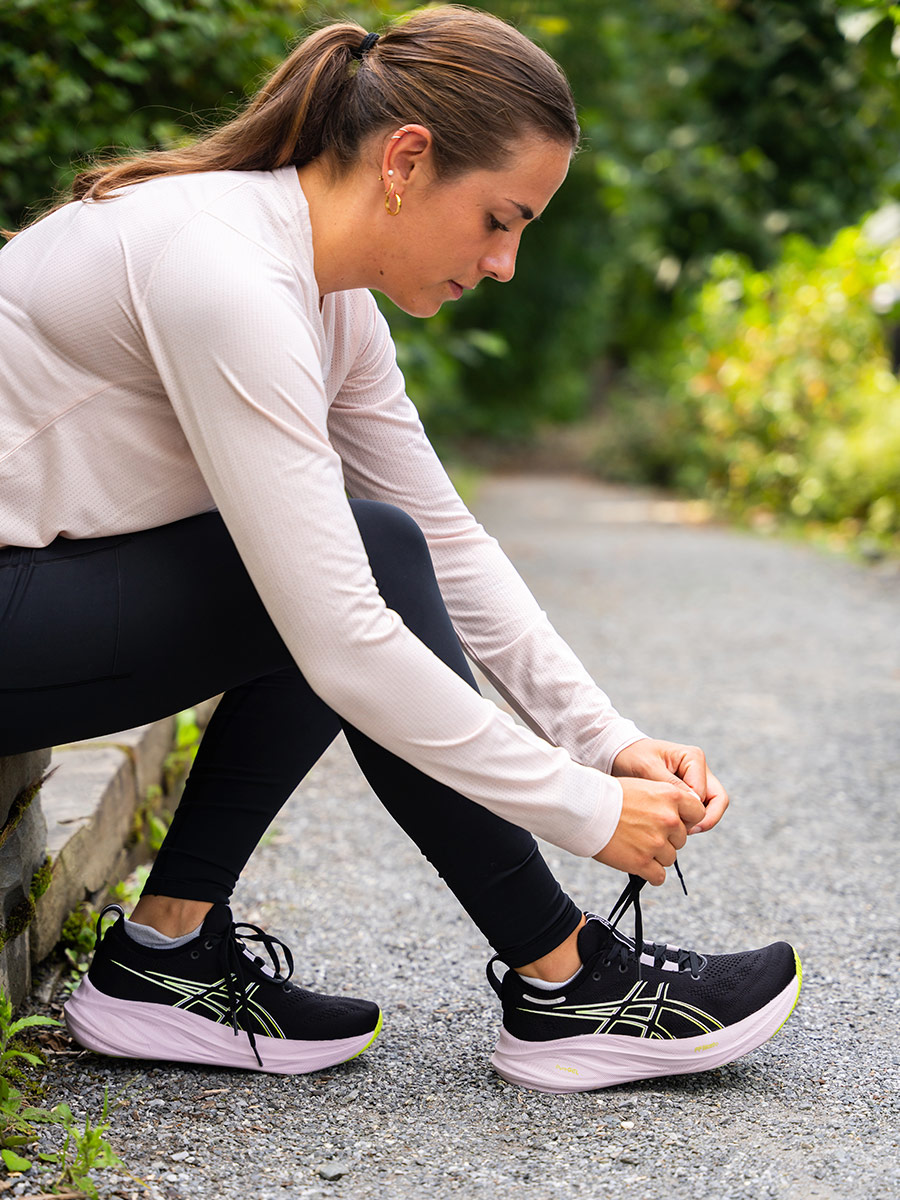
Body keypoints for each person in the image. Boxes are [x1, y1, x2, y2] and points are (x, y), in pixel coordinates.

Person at [0, 5, 800, 1094]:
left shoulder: (322, 299)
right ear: (407, 161)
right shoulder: (224, 273)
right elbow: (344, 638)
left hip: (37, 598)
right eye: (499, 220)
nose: (507, 263)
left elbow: (449, 544)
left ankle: (165, 959)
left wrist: (606, 742)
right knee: (357, 565)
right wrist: (584, 811)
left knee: (376, 543)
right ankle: (566, 981)